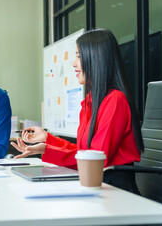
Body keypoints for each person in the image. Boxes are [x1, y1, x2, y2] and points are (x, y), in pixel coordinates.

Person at [11, 29, 144, 194]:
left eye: (79, 57)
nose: (74, 63)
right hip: (96, 183)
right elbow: (84, 150)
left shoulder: (116, 101)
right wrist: (48, 139)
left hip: (116, 189)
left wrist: (46, 149)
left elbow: (94, 157)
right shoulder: (91, 101)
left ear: (96, 59)